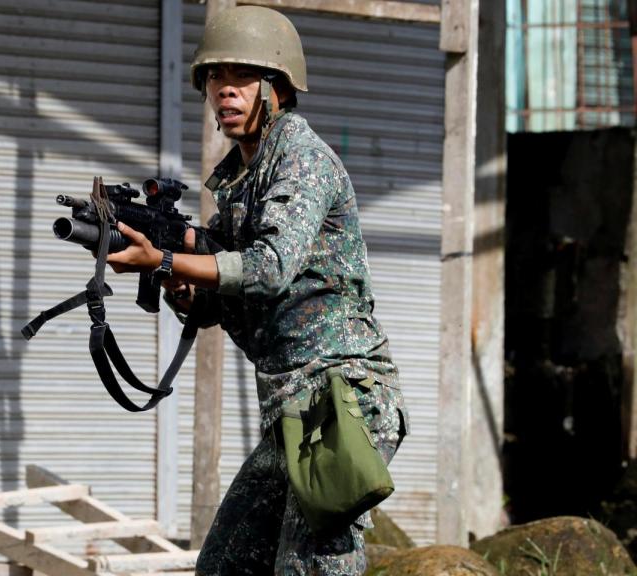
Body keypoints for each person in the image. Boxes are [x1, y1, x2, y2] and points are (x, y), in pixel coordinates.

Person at [104, 6, 408, 575]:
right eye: (215, 79)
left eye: (241, 77)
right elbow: (222, 288)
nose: (225, 91)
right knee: (223, 566)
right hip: (292, 407)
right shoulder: (242, 177)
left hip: (343, 401)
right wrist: (179, 282)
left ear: (277, 87)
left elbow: (267, 267)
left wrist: (166, 256)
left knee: (311, 566)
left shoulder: (302, 160)